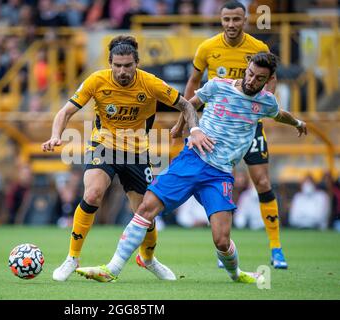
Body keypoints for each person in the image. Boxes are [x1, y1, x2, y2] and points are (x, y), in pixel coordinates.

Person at [76, 52, 307, 284]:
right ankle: (113, 268)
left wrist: (297, 122)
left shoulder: (266, 101)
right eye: (250, 73)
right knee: (146, 207)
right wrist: (181, 128)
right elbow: (191, 104)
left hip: (220, 174)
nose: (251, 81)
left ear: (268, 80)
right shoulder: (217, 86)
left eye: (259, 78)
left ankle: (237, 274)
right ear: (246, 68)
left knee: (222, 241)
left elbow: (279, 115)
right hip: (193, 159)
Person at [42, 35, 199, 282]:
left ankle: (148, 259)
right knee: (92, 193)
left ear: (136, 63)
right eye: (117, 65)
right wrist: (55, 135)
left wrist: (193, 131)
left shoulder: (151, 83)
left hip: (137, 153)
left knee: (145, 213)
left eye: (127, 65)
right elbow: (66, 110)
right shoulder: (97, 80)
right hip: (103, 146)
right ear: (110, 63)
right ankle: (72, 258)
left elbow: (187, 106)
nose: (122, 71)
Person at [171, 0, 289, 269]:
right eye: (227, 20)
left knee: (262, 181)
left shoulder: (258, 49)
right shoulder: (208, 48)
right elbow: (193, 83)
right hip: (218, 128)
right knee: (223, 181)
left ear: (245, 20)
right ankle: (225, 248)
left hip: (249, 124)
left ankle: (276, 248)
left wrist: (261, 106)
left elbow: (270, 80)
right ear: (220, 20)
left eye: (237, 19)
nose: (231, 25)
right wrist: (184, 122)